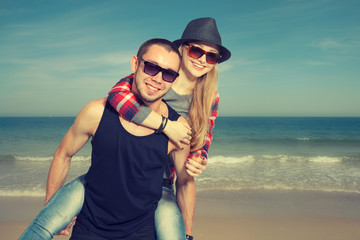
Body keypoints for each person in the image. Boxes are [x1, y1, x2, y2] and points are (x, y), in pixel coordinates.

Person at [19, 17, 231, 240]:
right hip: (113, 175)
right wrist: (166, 125)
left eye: (212, 56)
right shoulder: (150, 80)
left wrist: (199, 157)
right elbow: (117, 97)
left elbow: (202, 142)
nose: (203, 60)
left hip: (160, 183)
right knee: (41, 228)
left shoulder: (208, 97)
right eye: (197, 51)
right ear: (182, 50)